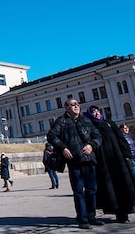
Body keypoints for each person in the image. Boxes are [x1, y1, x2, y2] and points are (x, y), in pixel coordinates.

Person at [47, 98, 104, 230]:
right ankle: (82, 219)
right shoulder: (61, 121)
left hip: (89, 159)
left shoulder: (86, 120)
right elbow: (52, 136)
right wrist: (63, 148)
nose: (76, 106)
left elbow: (97, 136)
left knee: (92, 190)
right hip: (75, 161)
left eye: (77, 104)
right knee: (78, 192)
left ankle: (92, 216)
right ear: (66, 108)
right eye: (72, 105)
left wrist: (92, 145)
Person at [85, 106, 135, 223]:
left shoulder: (109, 124)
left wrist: (127, 155)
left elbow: (120, 138)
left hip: (118, 160)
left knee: (123, 186)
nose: (96, 113)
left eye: (97, 111)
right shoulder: (90, 128)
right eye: (93, 112)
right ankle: (117, 212)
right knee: (110, 189)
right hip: (103, 163)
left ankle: (125, 212)